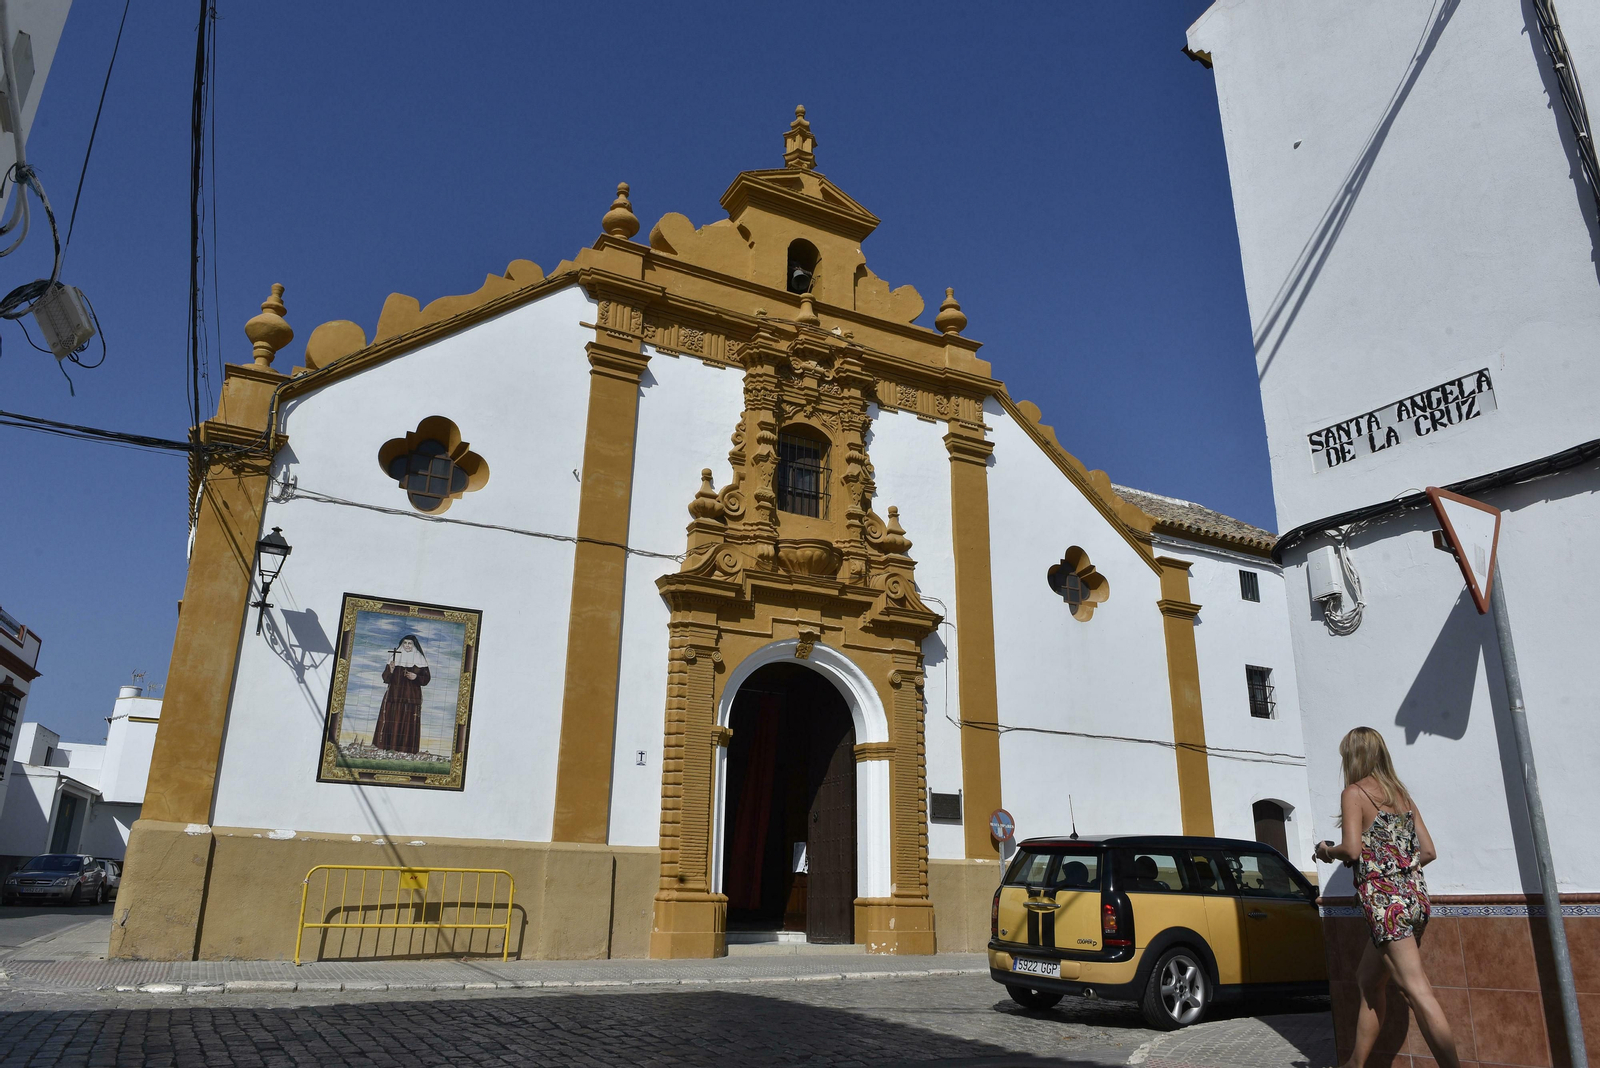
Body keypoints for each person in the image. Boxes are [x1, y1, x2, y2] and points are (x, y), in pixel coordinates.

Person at [1314, 726, 1459, 1068]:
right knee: (1368, 981)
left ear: (1354, 757)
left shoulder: (1354, 793)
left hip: (1387, 906)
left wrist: (1325, 851)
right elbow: (1428, 852)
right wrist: (1389, 875)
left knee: (1416, 991)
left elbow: (1351, 849)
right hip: (1415, 899)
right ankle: (1355, 1064)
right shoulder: (1401, 794)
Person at [371, 634, 430, 753]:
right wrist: (391, 670)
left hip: (411, 697)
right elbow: (386, 678)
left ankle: (405, 751)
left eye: (410, 643)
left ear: (414, 645)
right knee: (392, 721)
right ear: (401, 644)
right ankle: (388, 749)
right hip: (394, 696)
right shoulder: (394, 659)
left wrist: (416, 677)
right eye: (405, 643)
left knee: (408, 723)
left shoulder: (420, 660)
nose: (407, 646)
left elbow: (426, 679)